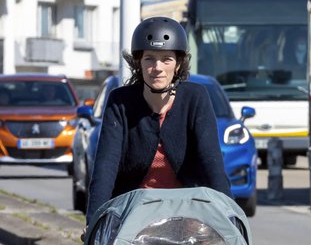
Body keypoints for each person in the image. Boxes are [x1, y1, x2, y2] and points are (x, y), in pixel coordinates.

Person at [86, 17, 231, 221]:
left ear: (178, 64)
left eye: (166, 59)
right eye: (149, 58)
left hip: (187, 215)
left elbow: (212, 165)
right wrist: (94, 221)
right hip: (132, 216)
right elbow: (105, 168)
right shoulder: (120, 101)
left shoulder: (196, 98)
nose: (157, 67)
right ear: (139, 63)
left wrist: (229, 217)